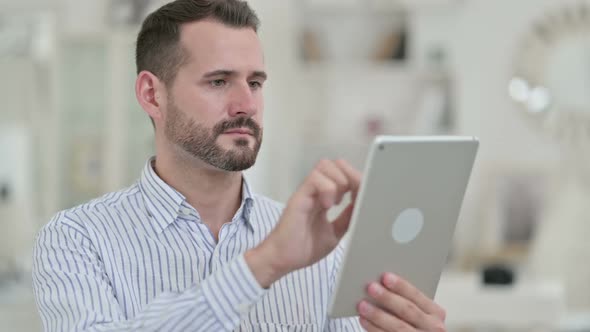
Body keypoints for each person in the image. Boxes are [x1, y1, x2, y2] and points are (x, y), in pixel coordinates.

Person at [32, 0, 447, 331]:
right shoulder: (76, 241)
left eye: (255, 82)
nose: (247, 104)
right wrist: (263, 265)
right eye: (218, 81)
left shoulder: (324, 253)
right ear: (151, 95)